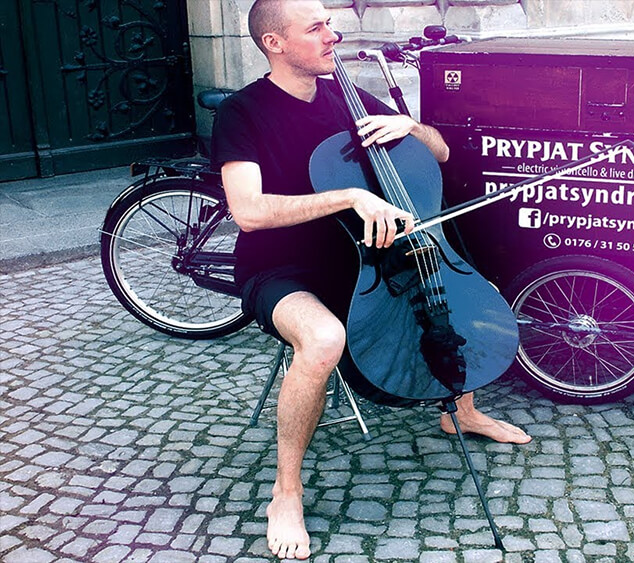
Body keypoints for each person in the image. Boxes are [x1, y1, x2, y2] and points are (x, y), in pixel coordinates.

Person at [211, 0, 530, 559]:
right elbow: (249, 212)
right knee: (324, 339)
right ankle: (286, 492)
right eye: (316, 27)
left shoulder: (346, 95)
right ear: (274, 43)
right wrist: (350, 196)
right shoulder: (243, 112)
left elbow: (441, 151)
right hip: (281, 268)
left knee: (455, 291)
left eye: (330, 23)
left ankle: (463, 413)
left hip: (364, 258)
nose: (332, 36)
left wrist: (411, 127)